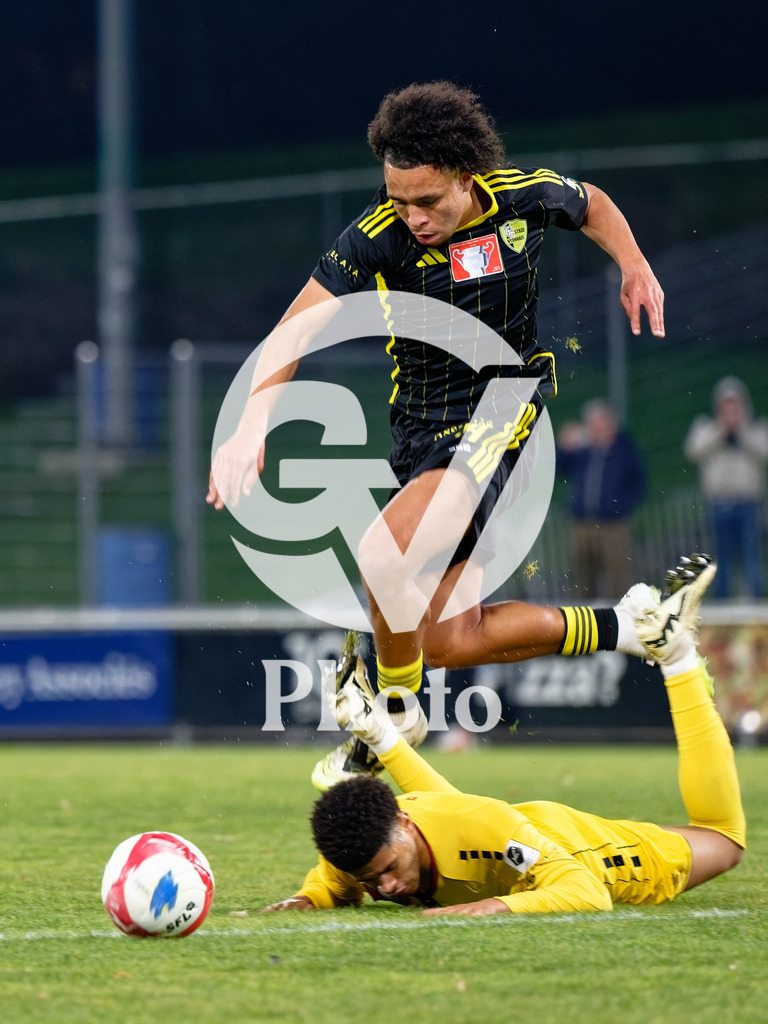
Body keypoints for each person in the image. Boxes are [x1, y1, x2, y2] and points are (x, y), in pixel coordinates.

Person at [207, 81, 666, 789]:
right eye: (399, 201)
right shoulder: (376, 237)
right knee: (447, 638)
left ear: (466, 175)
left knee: (383, 556)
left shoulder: (523, 197)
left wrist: (633, 263)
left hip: (501, 408)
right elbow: (296, 328)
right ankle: (630, 628)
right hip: (419, 431)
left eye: (427, 201)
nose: (412, 217)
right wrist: (252, 423)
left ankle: (389, 719)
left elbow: (593, 203)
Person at [263, 557, 746, 916]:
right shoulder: (365, 844)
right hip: (529, 828)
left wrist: (496, 907)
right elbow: (341, 881)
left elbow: (587, 892)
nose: (386, 887)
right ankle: (384, 734)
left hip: (604, 854)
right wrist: (307, 898)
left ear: (405, 826)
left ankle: (678, 658)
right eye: (373, 880)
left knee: (724, 840)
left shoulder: (482, 826)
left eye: (387, 869)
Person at [684, 376, 768, 598]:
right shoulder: (707, 427)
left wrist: (741, 430)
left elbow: (763, 450)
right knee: (721, 557)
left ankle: (755, 602)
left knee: (751, 556)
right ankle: (721, 604)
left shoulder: (755, 428)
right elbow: (693, 450)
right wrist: (722, 429)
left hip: (748, 503)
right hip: (719, 503)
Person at [557, 399, 646, 599]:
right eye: (592, 425)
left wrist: (622, 506)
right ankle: (584, 621)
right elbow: (557, 465)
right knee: (584, 578)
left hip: (613, 524)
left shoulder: (624, 451)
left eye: (601, 423)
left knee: (619, 576)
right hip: (584, 523)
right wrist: (564, 445)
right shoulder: (584, 453)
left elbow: (638, 481)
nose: (597, 429)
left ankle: (622, 622)